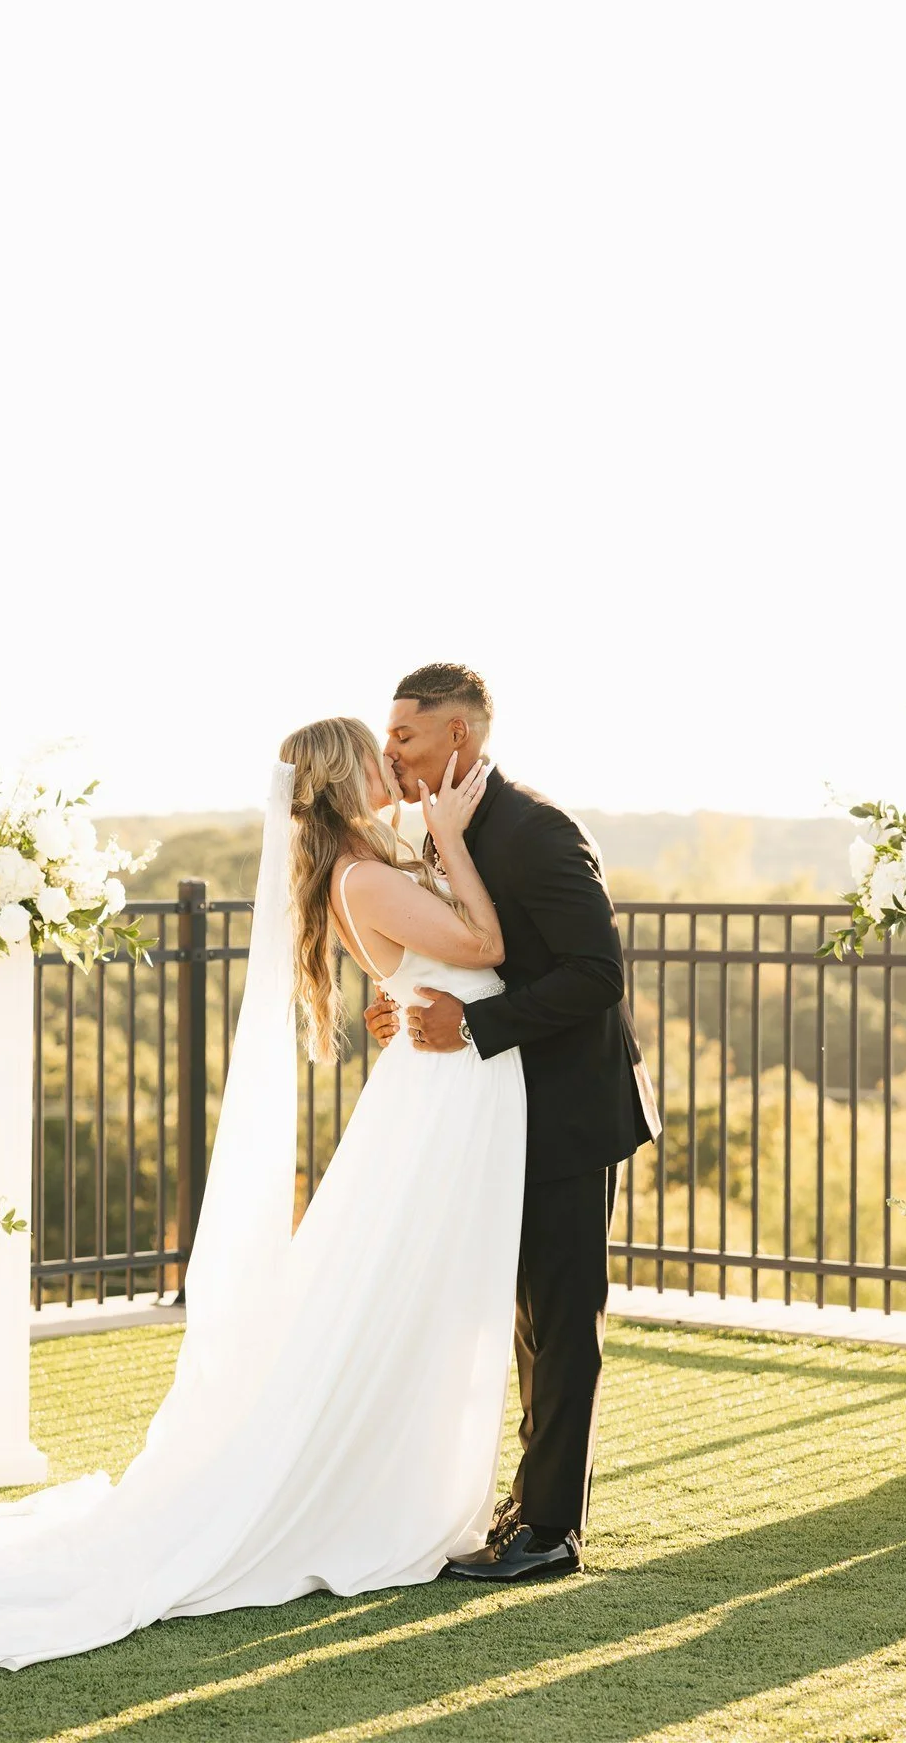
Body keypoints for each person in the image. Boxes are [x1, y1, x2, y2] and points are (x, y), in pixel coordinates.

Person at [0, 720, 530, 1668]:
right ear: (347, 777)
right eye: (378, 758)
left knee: (400, 1294)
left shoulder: (360, 868)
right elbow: (484, 944)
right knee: (403, 1294)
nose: (396, 769)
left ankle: (400, 1476)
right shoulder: (368, 873)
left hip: (438, 1084)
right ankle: (377, 1492)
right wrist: (457, 842)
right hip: (442, 1094)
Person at [367, 662, 661, 1583]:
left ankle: (550, 1534)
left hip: (567, 1110)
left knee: (562, 1317)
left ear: (459, 736)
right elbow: (464, 956)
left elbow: (595, 975)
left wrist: (476, 1024)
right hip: (497, 1107)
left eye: (405, 737)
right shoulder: (441, 829)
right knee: (526, 1314)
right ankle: (530, 1505)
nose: (390, 753)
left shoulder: (536, 831)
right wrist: (413, 1005)